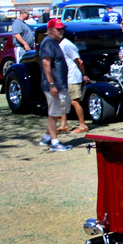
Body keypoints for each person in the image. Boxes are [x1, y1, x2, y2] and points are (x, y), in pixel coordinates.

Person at [36, 19, 73, 152]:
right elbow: (46, 64)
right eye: (58, 29)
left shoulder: (54, 43)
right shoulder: (48, 42)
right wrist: (52, 84)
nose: (61, 31)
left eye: (62, 29)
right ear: (50, 30)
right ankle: (54, 142)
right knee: (54, 113)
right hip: (54, 85)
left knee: (56, 112)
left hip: (59, 83)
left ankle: (47, 137)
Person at [58, 32, 89, 134]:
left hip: (73, 77)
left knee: (74, 101)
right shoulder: (59, 45)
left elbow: (79, 62)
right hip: (64, 78)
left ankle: (82, 125)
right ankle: (64, 125)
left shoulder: (67, 44)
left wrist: (83, 74)